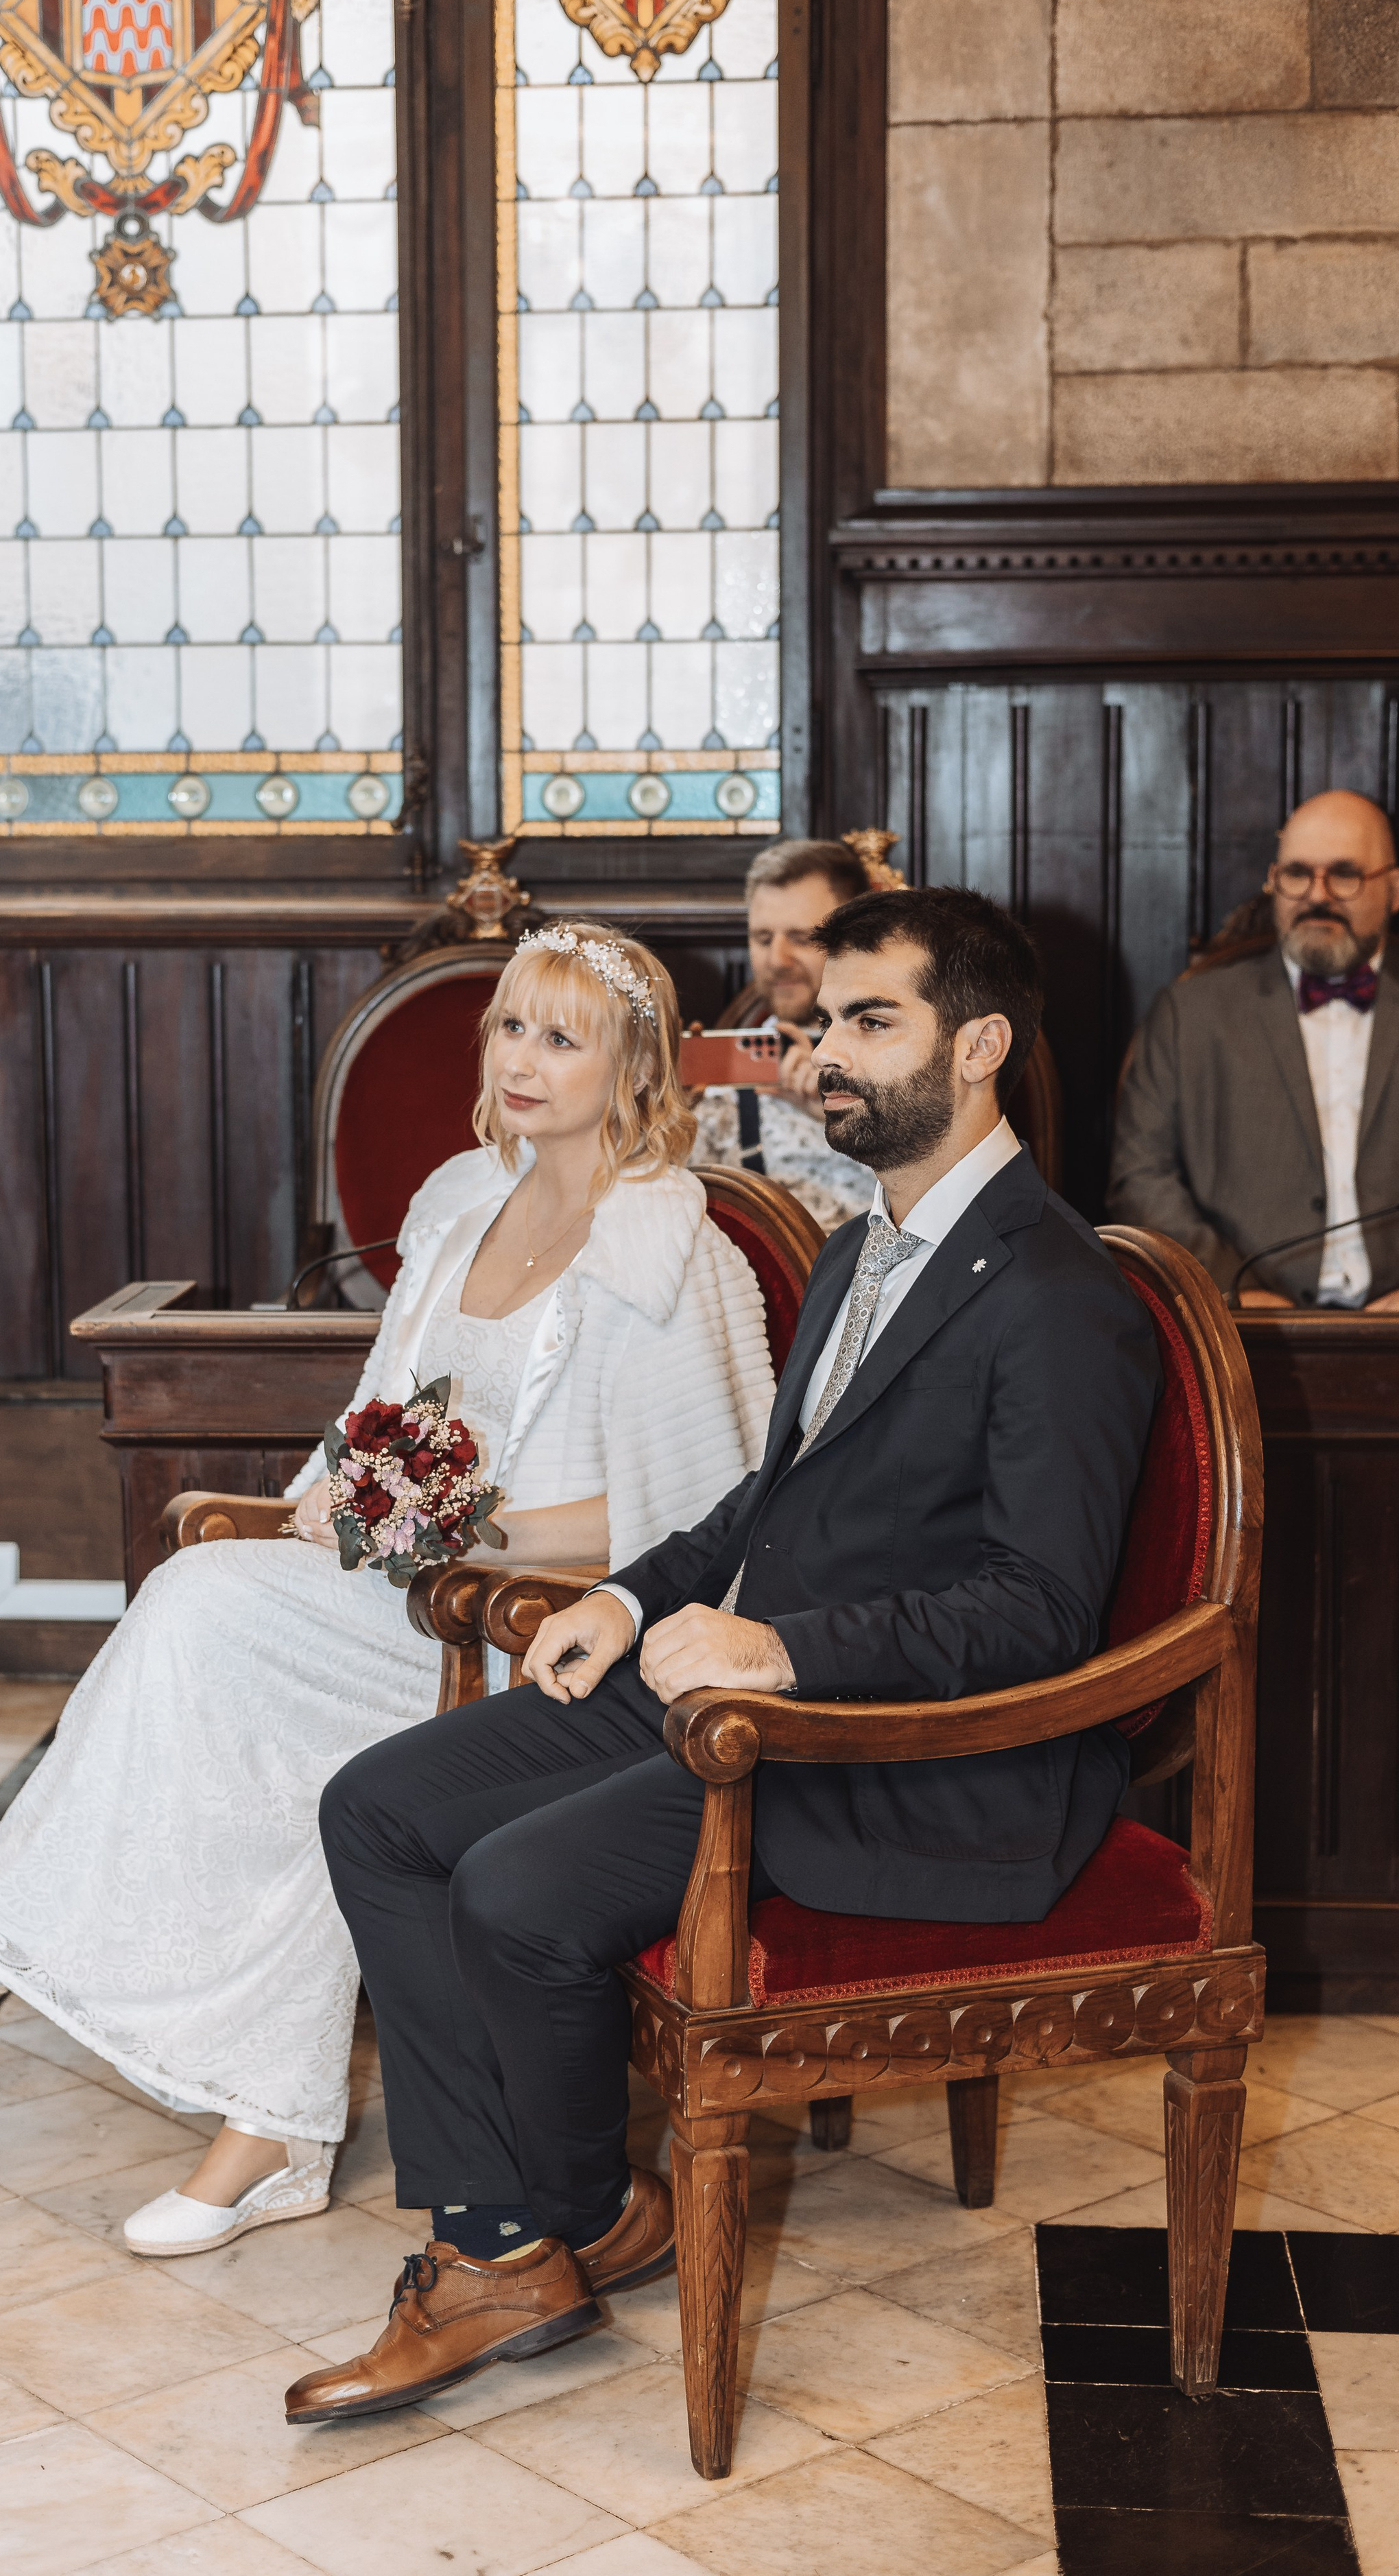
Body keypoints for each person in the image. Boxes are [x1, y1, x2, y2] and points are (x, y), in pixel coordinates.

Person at [290, 886, 1159, 2423]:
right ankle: (539, 2226)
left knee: (513, 1889)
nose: (823, 1054)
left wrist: (777, 1646)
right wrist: (627, 1601)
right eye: (818, 1022)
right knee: (378, 1808)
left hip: (896, 1752)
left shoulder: (1052, 1295)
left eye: (867, 1022)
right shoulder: (858, 1249)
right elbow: (774, 1495)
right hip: (725, 1690)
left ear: (980, 1049)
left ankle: (516, 2233)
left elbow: (1037, 1610)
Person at [0, 923, 775, 2260]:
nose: (520, 1059)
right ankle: (232, 2102)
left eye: (561, 1037)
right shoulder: (457, 1206)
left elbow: (695, 1518)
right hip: (420, 1594)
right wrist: (347, 1488)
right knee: (207, 1600)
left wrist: (466, 1521)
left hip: (548, 1638)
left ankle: (83, 1993)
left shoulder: (678, 1254)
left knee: (232, 1646)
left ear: (633, 1070)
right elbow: (383, 1409)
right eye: (506, 1027)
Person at [1110, 789, 1399, 1309]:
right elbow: (1140, 1179)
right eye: (1296, 874)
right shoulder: (1188, 1014)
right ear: (1273, 881)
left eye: (1345, 873)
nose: (1318, 895)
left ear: (1394, 889)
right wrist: (1229, 1289)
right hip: (1238, 1333)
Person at [691, 837, 877, 1228]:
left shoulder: (910, 1065)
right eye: (762, 939)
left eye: (801, 938)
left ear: (858, 938)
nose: (777, 960)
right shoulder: (723, 1076)